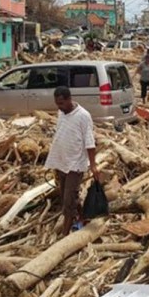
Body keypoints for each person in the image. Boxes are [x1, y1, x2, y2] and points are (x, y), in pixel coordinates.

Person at [44, 86, 100, 235]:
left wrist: (93, 165)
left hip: (75, 164)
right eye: (57, 103)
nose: (59, 107)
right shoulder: (61, 112)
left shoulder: (83, 116)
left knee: (68, 202)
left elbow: (89, 141)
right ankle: (82, 217)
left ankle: (65, 234)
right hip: (61, 161)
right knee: (66, 197)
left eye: (61, 103)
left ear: (69, 99)